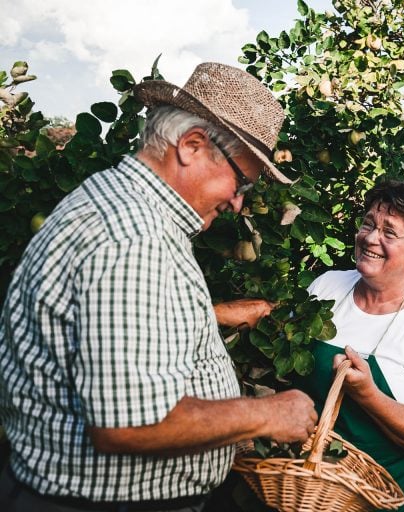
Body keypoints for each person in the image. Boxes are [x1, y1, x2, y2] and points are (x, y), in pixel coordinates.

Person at [0, 62, 318, 512]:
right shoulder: (135, 237)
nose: (238, 201)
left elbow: (113, 327)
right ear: (191, 146)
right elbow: (130, 424)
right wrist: (268, 413)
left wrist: (216, 315)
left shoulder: (120, 204)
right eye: (241, 180)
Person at [296, 181, 404, 512]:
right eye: (369, 223)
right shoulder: (327, 287)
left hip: (373, 499)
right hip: (304, 489)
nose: (371, 238)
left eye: (389, 232)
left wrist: (369, 394)